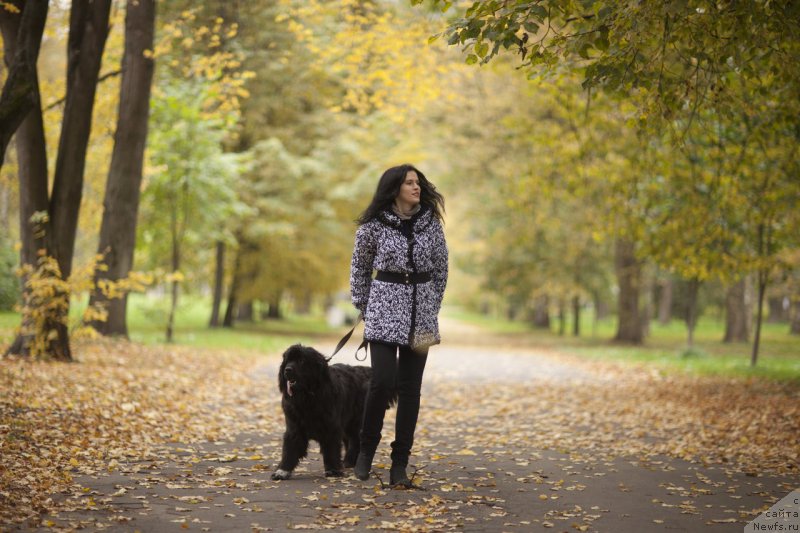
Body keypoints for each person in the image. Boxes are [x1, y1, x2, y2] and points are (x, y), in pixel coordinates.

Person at [349, 164, 448, 488]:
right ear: (394, 189)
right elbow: (359, 269)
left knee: (410, 389)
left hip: (422, 314)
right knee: (382, 382)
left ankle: (399, 464)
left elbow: (441, 268)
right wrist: (366, 306)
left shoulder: (431, 224)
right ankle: (365, 450)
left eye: (418, 182)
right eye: (409, 183)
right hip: (383, 310)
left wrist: (432, 304)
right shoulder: (373, 226)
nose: (416, 187)